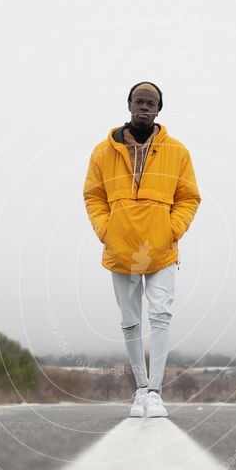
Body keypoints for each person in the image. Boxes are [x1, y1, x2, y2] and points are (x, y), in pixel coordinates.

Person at [83, 81, 201, 418]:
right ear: (129, 104)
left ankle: (155, 392)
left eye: (151, 103)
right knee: (130, 321)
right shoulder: (102, 151)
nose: (144, 107)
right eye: (139, 101)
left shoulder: (178, 151)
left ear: (159, 109)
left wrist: (172, 229)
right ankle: (138, 390)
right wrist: (106, 230)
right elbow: (93, 195)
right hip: (121, 245)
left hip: (161, 247)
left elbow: (188, 197)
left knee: (161, 315)